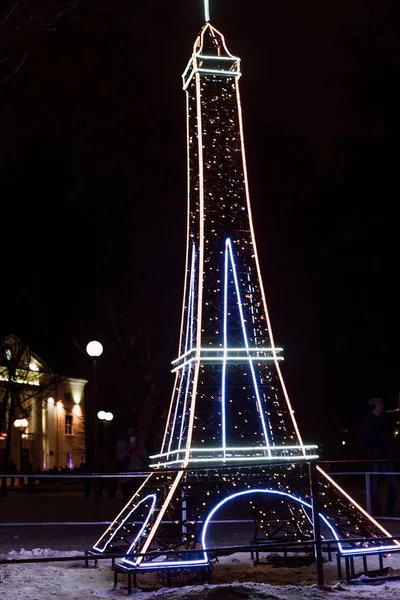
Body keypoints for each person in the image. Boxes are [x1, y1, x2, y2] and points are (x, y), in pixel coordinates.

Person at [360, 397, 397, 517]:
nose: (383, 407)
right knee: (374, 488)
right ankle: (377, 514)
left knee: (392, 486)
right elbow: (364, 440)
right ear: (376, 406)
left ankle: (387, 513)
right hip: (375, 458)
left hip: (384, 457)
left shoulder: (382, 421)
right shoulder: (368, 421)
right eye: (381, 405)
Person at [116, 424, 148, 502]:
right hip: (126, 473)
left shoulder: (139, 442)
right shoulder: (121, 442)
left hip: (137, 471)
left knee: (138, 494)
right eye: (128, 430)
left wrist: (138, 450)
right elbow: (119, 457)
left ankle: (137, 511)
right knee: (127, 495)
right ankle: (127, 511)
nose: (130, 432)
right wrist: (127, 449)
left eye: (132, 429)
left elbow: (145, 456)